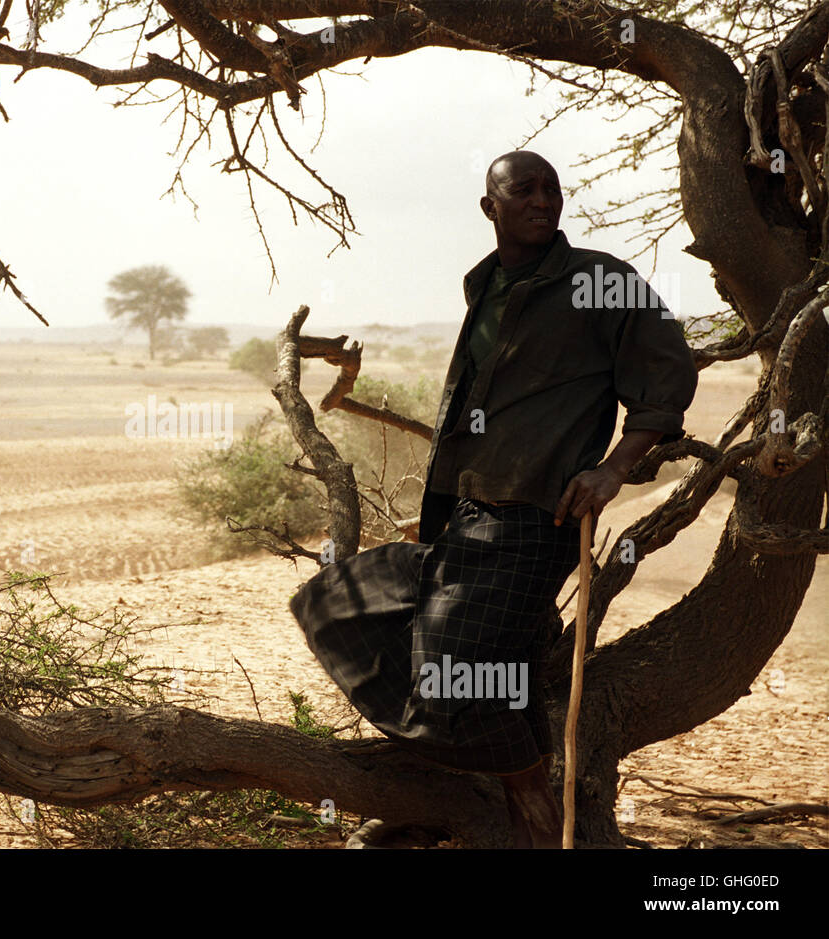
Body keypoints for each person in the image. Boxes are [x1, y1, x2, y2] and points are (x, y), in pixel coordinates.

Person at [289, 150, 698, 847]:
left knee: (453, 673)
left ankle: (531, 805)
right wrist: (446, 503)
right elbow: (471, 408)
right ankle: (450, 794)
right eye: (525, 190)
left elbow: (666, 380)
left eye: (552, 190)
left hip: (540, 518)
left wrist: (613, 471)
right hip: (470, 520)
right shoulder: (488, 287)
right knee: (335, 603)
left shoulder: (600, 282)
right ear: (491, 208)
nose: (543, 200)